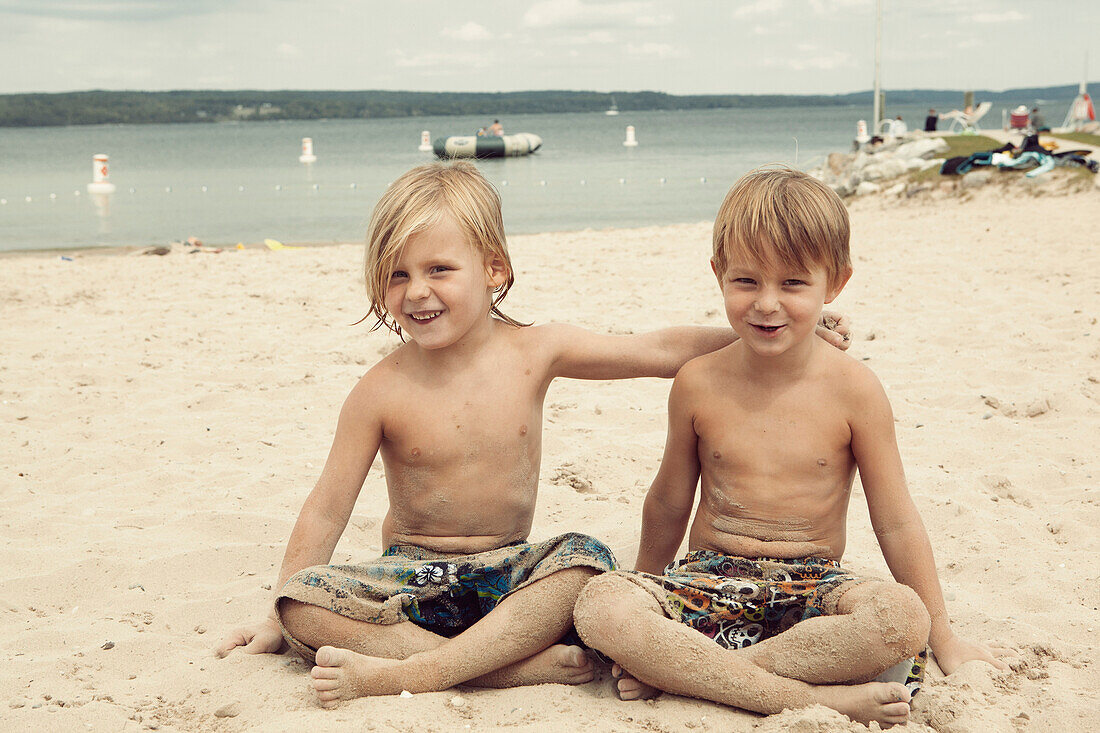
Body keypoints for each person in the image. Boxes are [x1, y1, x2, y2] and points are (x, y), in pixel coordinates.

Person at [214, 161, 851, 707]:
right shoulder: (378, 390)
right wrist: (275, 609)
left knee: (583, 563)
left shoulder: (535, 352)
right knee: (302, 608)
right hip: (412, 580)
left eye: (439, 269)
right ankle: (504, 671)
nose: (417, 292)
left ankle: (431, 669)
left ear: (494, 269)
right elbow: (327, 507)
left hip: (512, 580)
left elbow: (658, 348)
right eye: (397, 274)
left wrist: (771, 337)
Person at [573, 166, 1011, 727]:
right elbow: (668, 501)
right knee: (604, 602)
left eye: (794, 284)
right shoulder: (698, 382)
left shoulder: (855, 389)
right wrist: (647, 581)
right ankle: (811, 695)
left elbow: (896, 519)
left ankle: (714, 678)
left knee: (902, 618)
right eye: (746, 281)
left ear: (837, 283)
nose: (767, 304)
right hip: (708, 582)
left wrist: (943, 635)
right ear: (718, 275)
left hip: (814, 592)